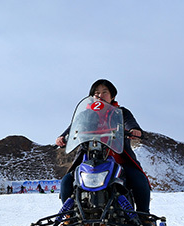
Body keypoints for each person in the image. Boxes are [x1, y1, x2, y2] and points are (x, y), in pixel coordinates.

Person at [55, 79, 151, 215]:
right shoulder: (85, 115)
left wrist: (134, 130)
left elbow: (130, 123)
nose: (100, 95)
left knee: (138, 179)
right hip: (89, 160)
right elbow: (73, 129)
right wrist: (62, 138)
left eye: (104, 92)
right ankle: (69, 216)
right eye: (96, 93)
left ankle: (144, 216)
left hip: (119, 161)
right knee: (67, 181)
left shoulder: (120, 112)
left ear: (112, 96)